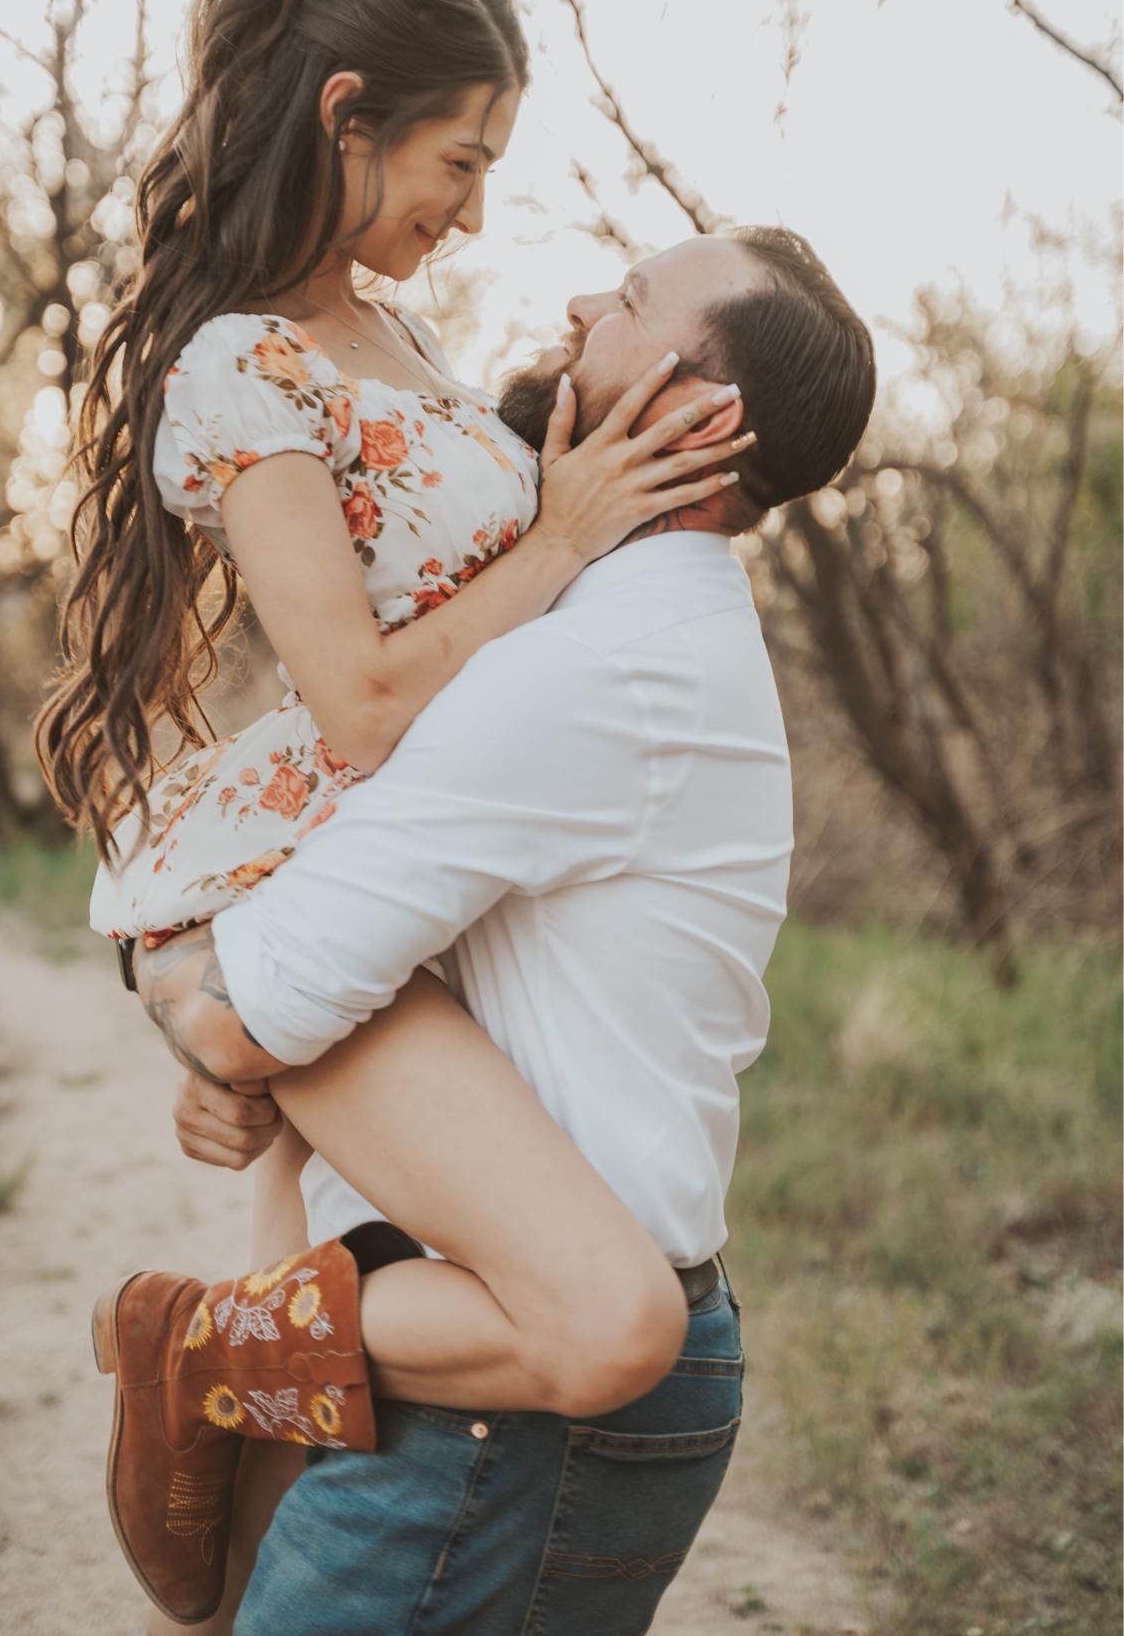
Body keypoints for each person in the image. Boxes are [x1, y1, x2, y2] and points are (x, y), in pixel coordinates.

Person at [33, 0, 765, 1631]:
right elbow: (358, 698)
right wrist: (563, 536)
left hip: (402, 865)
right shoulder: (240, 366)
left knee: (352, 1331)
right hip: (293, 868)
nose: (475, 207)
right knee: (575, 1316)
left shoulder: (397, 332)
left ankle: (229, 1385)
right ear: (343, 115)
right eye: (460, 158)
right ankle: (196, 1351)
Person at [110, 226, 877, 1636]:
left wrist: (178, 982)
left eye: (629, 300)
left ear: (695, 419)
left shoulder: (594, 669)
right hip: (500, 1357)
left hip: (508, 1421)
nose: (582, 302)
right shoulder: (598, 626)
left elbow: (253, 1003)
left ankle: (205, 1345)